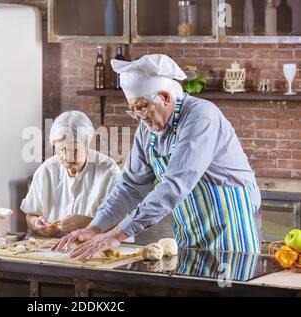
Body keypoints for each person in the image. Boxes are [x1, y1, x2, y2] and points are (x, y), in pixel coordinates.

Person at [53, 55, 262, 259]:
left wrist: (117, 234)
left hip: (231, 228)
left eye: (141, 107)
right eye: (133, 109)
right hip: (190, 231)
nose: (138, 116)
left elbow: (173, 186)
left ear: (165, 97)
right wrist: (95, 227)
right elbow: (130, 186)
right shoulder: (147, 131)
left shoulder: (201, 117)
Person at [21, 110, 121, 236]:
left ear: (87, 145)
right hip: (51, 248)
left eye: (74, 150)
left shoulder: (109, 172)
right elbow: (31, 214)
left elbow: (121, 224)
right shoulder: (47, 170)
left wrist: (87, 223)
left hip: (96, 247)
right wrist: (36, 223)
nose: (67, 158)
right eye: (60, 150)